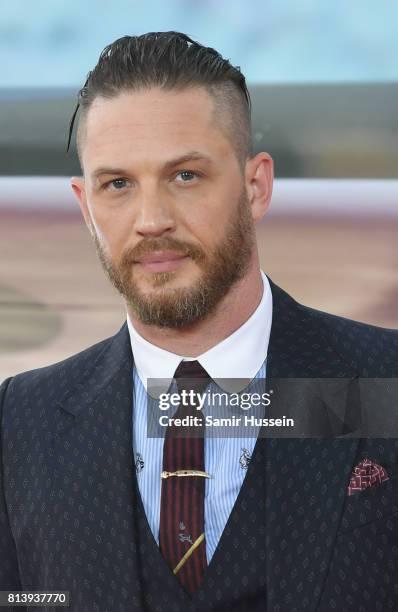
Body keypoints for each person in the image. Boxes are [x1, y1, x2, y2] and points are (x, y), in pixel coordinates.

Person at [1, 31, 397, 612]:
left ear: (256, 186)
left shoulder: (385, 382)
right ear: (85, 208)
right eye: (118, 185)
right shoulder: (21, 423)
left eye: (185, 175)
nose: (151, 219)